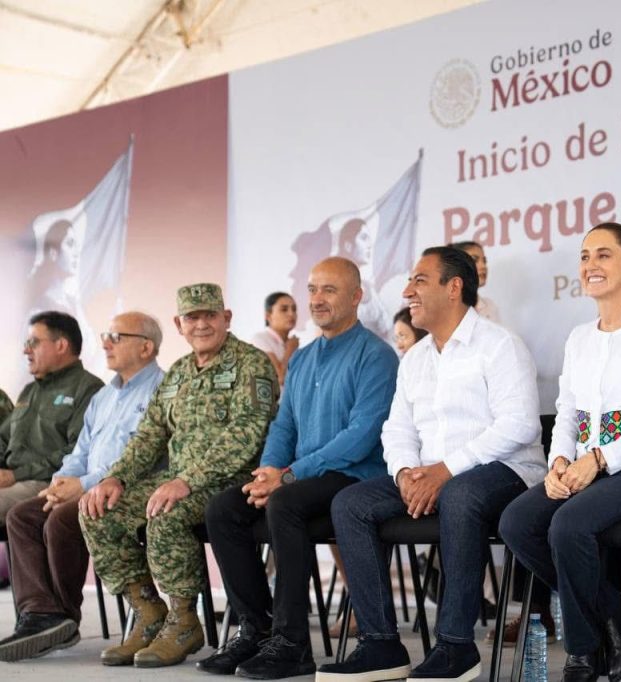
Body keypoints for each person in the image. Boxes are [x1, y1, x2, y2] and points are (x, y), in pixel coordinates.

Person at [317, 246, 544, 682]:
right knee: (350, 504)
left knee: (460, 494)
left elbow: (518, 425)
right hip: (430, 475)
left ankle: (457, 647)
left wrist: (445, 470)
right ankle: (381, 644)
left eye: (419, 281)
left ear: (453, 287)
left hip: (507, 471)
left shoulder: (500, 345)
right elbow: (397, 429)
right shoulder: (416, 357)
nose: (407, 291)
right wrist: (405, 473)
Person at [500, 222, 621, 682]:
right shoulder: (580, 337)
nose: (590, 265)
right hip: (585, 468)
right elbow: (567, 412)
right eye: (585, 256)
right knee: (517, 522)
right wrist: (559, 462)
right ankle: (611, 606)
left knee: (568, 524)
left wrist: (598, 459)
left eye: (603, 255)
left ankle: (583, 653)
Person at [198, 259, 399, 679]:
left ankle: (292, 645)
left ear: (356, 297)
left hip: (353, 476)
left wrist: (288, 476)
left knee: (285, 502)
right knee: (223, 508)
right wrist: (267, 472)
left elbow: (361, 436)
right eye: (312, 289)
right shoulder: (303, 358)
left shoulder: (377, 356)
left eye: (329, 290)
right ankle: (256, 630)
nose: (317, 299)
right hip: (299, 476)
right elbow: (284, 425)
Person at [79, 283, 279, 669]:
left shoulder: (250, 364)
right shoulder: (178, 374)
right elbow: (150, 434)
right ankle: (149, 613)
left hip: (232, 482)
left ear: (226, 318)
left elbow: (247, 435)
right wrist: (115, 478)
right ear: (179, 324)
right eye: (192, 317)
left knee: (165, 514)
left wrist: (188, 481)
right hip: (177, 480)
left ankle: (184, 620)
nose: (201, 324)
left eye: (210, 315)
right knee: (99, 510)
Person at [0, 312, 164, 662]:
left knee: (62, 518)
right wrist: (61, 483)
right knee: (22, 516)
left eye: (116, 337)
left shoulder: (161, 391)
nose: (105, 343)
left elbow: (143, 457)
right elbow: (80, 452)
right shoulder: (104, 396)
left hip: (132, 488)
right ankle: (40, 613)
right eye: (106, 335)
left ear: (146, 347)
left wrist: (83, 485)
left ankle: (62, 616)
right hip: (86, 486)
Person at [0, 311, 104, 525]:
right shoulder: (29, 390)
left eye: (33, 342)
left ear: (61, 345)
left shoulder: (88, 388)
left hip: (47, 482)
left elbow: (77, 451)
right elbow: (3, 439)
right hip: (12, 480)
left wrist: (16, 475)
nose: (26, 350)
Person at [337, 217, 391, 340]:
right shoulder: (333, 293)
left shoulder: (368, 288)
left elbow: (386, 329)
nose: (369, 245)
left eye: (369, 239)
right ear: (348, 246)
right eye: (363, 238)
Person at [252, 292, 299, 386]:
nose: (291, 314)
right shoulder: (260, 339)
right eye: (284, 309)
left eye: (294, 309)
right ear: (268, 316)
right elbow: (279, 378)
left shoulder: (291, 343)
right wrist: (290, 350)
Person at [450, 240, 500, 322]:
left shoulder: (490, 306)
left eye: (484, 261)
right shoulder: (442, 306)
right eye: (474, 260)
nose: (483, 266)